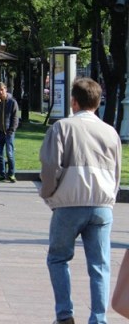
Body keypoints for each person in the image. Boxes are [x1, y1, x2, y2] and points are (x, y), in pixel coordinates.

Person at [39, 78, 121, 324]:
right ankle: (98, 318)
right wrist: (109, 199)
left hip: (69, 203)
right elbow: (117, 172)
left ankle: (65, 315)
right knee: (99, 265)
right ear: (97, 102)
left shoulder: (62, 127)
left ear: (73, 101)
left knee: (58, 258)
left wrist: (49, 193)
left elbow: (50, 165)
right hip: (102, 205)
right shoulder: (110, 131)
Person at [0, 82, 19, 182]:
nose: (0, 92)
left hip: (8, 132)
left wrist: (11, 130)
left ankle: (11, 174)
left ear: (5, 89)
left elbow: (15, 118)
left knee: (10, 154)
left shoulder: (12, 102)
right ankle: (1, 174)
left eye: (1, 90)